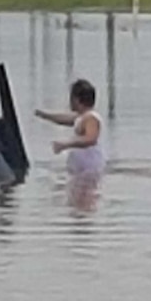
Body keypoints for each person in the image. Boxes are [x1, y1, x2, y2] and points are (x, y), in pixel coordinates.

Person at [35, 79, 105, 211]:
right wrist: (45, 115)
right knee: (75, 198)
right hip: (82, 169)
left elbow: (91, 139)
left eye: (71, 98)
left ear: (77, 100)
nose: (69, 102)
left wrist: (65, 144)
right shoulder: (82, 117)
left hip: (89, 169)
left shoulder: (91, 118)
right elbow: (65, 119)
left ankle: (83, 215)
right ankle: (77, 215)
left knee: (84, 199)